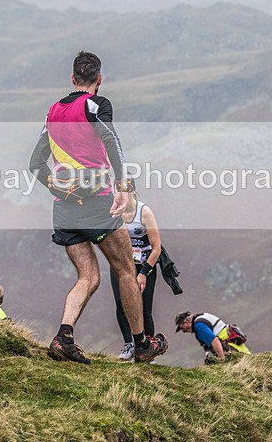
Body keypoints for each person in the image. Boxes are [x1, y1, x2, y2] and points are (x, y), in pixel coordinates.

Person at [29, 51, 168, 365]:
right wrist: (122, 185)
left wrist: (57, 188)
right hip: (97, 205)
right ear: (99, 79)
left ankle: (64, 337)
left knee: (88, 277)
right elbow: (111, 140)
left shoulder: (52, 112)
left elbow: (35, 164)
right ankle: (142, 344)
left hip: (64, 211)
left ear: (73, 79)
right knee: (126, 271)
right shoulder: (97, 105)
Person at [112, 184, 161, 361]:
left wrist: (144, 273)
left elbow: (157, 248)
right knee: (121, 304)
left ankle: (148, 348)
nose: (122, 196)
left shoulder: (144, 212)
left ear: (132, 192)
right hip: (122, 265)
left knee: (144, 308)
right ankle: (129, 344)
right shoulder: (114, 212)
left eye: (125, 192)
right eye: (118, 192)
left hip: (145, 264)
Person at [175, 311, 250, 363]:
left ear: (186, 322)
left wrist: (222, 360)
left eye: (181, 327)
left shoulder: (199, 326)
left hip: (229, 346)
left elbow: (215, 340)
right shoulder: (201, 317)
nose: (183, 330)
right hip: (234, 344)